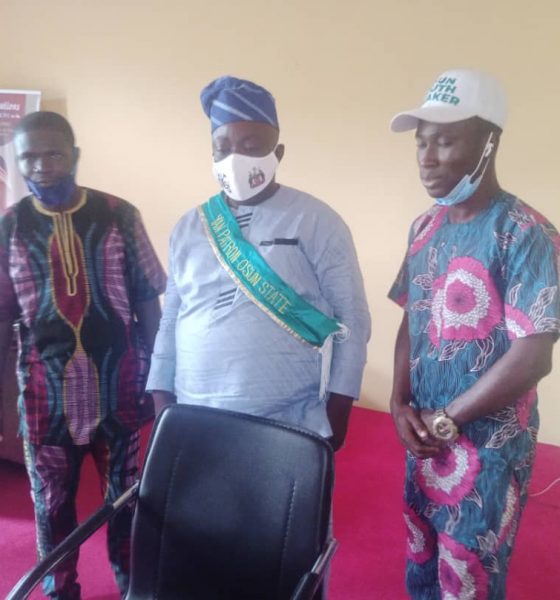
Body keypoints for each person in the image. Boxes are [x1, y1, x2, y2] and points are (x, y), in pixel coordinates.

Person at [388, 68, 560, 599]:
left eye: (445, 141)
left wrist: (448, 420)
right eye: (421, 142)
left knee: (468, 576)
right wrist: (398, 402)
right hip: (423, 437)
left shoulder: (527, 233)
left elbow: (534, 354)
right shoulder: (424, 227)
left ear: (489, 142)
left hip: (488, 449)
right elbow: (411, 317)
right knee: (421, 563)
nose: (427, 157)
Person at [147, 75, 370, 454]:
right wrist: (161, 397)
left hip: (289, 420)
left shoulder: (317, 220)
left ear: (278, 152)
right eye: (222, 148)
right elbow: (171, 319)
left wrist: (340, 408)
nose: (234, 159)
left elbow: (353, 319)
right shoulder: (189, 227)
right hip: (193, 414)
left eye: (250, 147)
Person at [0, 111, 166, 599]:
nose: (41, 165)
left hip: (120, 390)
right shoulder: (9, 228)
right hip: (44, 399)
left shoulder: (119, 214)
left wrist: (162, 380)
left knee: (128, 500)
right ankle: (60, 590)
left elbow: (147, 301)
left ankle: (135, 585)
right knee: (51, 505)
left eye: (53, 153)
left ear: (74, 155)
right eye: (28, 157)